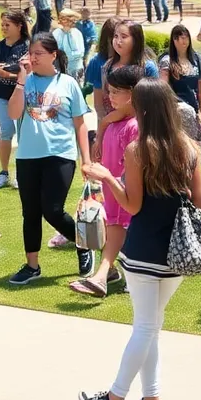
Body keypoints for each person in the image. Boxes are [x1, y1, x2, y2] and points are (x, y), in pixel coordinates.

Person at [79, 79, 201, 400]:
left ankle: (114, 398)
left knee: (146, 326)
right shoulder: (189, 148)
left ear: (146, 110)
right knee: (151, 326)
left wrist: (107, 176)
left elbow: (132, 205)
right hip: (177, 252)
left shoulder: (139, 149)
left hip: (144, 251)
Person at [7, 31, 95, 285]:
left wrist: (85, 159)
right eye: (30, 53)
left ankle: (82, 245)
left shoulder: (68, 83)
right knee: (30, 212)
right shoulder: (25, 82)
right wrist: (21, 82)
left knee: (52, 210)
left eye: (38, 54)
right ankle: (32, 266)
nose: (32, 58)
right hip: (27, 156)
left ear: (53, 55)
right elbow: (13, 113)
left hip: (61, 155)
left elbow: (80, 124)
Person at [71, 64, 143, 298]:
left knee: (120, 228)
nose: (108, 96)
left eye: (114, 92)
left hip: (122, 186)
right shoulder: (115, 121)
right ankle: (110, 271)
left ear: (131, 93)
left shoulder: (134, 126)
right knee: (114, 226)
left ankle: (102, 275)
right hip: (110, 186)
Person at [0, 9, 30, 190]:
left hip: (22, 97)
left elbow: (29, 71)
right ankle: (4, 173)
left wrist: (9, 73)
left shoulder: (27, 46)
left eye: (8, 25)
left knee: (23, 135)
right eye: (2, 24)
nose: (4, 28)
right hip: (2, 96)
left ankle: (21, 174)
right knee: (6, 132)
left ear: (19, 26)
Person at [159, 24, 201, 128]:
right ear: (174, 40)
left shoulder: (197, 60)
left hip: (195, 111)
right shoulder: (167, 61)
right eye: (180, 37)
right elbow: (163, 88)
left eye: (186, 37)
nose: (183, 40)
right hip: (176, 111)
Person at [86, 17, 121, 120]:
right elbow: (98, 102)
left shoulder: (128, 59)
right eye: (113, 38)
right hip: (106, 117)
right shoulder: (97, 62)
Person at [55, 8, 87, 80]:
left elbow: (81, 52)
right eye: (64, 19)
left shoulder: (77, 33)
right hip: (60, 68)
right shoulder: (56, 34)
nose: (69, 22)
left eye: (71, 20)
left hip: (76, 68)